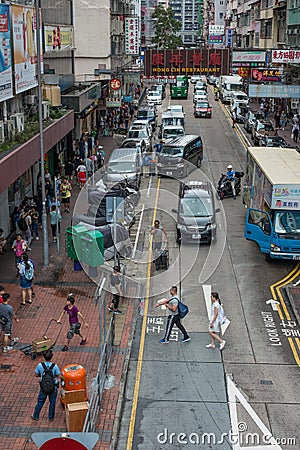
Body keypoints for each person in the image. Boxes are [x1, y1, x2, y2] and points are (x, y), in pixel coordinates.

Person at [31, 349, 60, 421]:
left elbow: (36, 374)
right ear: (51, 357)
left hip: (43, 386)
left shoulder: (40, 365)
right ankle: (51, 417)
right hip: (52, 386)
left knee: (40, 401)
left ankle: (36, 415)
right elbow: (58, 375)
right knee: (52, 402)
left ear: (44, 357)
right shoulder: (54, 366)